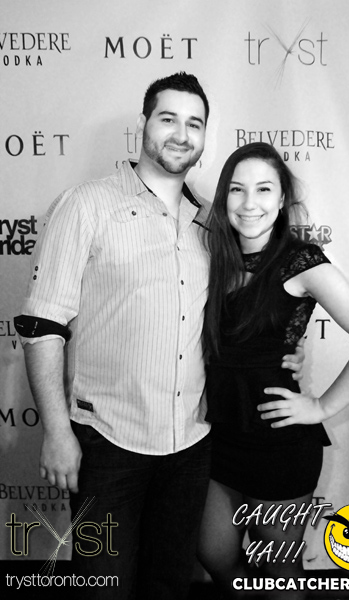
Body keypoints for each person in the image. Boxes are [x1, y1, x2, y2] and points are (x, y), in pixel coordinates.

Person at [14, 76, 303, 599]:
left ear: (205, 136)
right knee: (103, 589)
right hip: (106, 444)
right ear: (143, 124)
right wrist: (56, 432)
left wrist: (286, 352)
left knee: (168, 586)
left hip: (191, 447)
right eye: (168, 119)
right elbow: (43, 326)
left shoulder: (214, 225)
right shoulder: (86, 205)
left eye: (194, 123)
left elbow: (247, 310)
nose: (181, 134)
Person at [197, 142, 349, 599]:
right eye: (237, 189)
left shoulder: (301, 261)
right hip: (217, 437)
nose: (250, 203)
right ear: (224, 197)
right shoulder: (212, 256)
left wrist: (321, 406)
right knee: (214, 553)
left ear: (283, 198)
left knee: (280, 572)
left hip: (279, 446)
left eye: (264, 189)